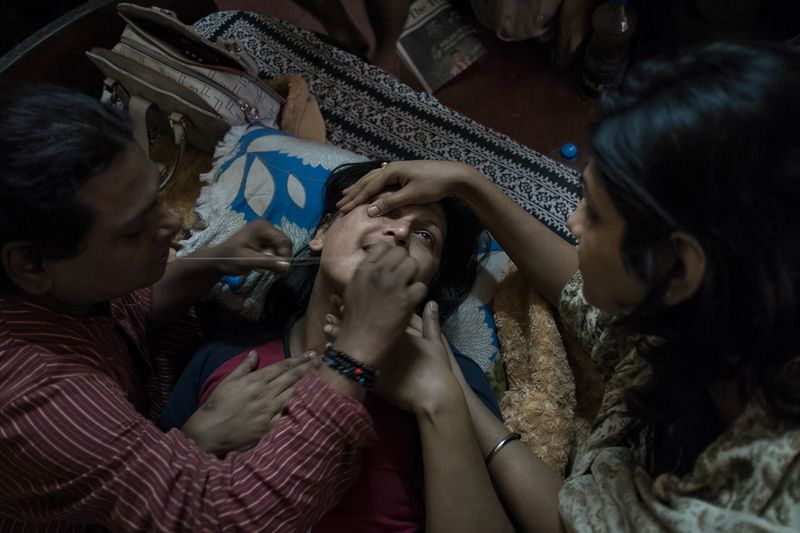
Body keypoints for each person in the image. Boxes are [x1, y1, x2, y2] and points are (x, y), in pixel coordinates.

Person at [335, 40, 800, 531]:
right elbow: (592, 302)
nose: (572, 223)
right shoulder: (725, 307)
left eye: (595, 214)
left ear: (682, 270)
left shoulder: (746, 510)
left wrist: (448, 398)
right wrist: (469, 182)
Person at [0, 85, 440, 531]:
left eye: (157, 194)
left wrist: (206, 264)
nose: (173, 223)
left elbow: (117, 314)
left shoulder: (65, 288)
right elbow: (222, 520)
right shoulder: (40, 399)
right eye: (134, 231)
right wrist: (355, 355)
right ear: (30, 264)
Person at [159, 161, 510, 532]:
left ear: (427, 281)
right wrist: (194, 441)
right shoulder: (227, 354)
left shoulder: (451, 380)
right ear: (322, 232)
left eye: (426, 236)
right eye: (381, 208)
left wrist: (439, 404)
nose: (401, 231)